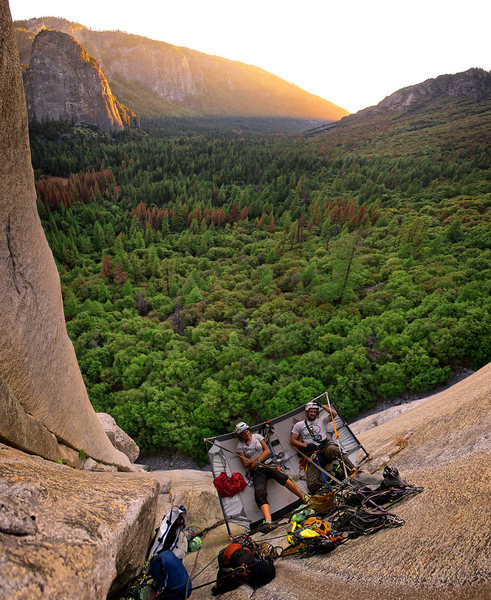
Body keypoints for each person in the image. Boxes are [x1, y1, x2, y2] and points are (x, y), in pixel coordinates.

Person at [235, 422, 308, 530]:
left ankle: (304, 498)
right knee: (259, 494)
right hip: (256, 470)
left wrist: (257, 460)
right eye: (243, 433)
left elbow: (267, 451)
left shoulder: (257, 437)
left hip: (267, 463)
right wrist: (256, 461)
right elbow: (245, 464)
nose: (246, 433)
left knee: (282, 478)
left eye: (247, 430)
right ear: (240, 435)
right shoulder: (240, 446)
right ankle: (268, 520)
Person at [290, 399, 355, 493]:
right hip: (312, 454)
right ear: (307, 412)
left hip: (325, 448)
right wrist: (305, 445)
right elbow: (292, 440)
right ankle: (332, 475)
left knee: (337, 450)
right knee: (311, 485)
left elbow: (334, 414)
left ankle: (352, 471)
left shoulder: (322, 420)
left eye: (314, 411)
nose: (312, 413)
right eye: (310, 411)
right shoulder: (299, 425)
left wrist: (322, 406)